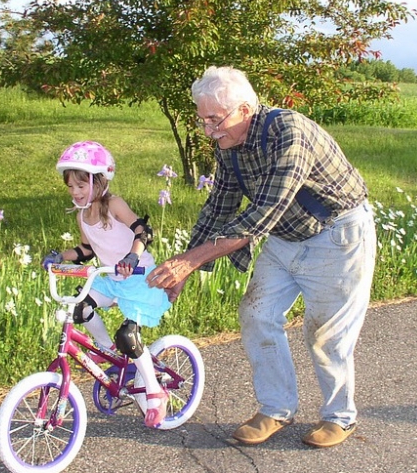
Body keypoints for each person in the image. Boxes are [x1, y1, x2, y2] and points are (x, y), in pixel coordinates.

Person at [147, 66, 376, 447]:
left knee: (326, 334)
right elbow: (219, 206)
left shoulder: (289, 132)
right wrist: (186, 265)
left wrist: (192, 261)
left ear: (245, 110)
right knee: (256, 313)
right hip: (286, 237)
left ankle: (340, 417)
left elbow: (262, 214)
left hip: (337, 235)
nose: (208, 130)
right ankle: (276, 409)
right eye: (202, 120)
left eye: (215, 120)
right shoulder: (228, 147)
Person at [42, 140, 172, 428]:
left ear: (99, 181)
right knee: (80, 309)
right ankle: (109, 352)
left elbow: (143, 231)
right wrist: (58, 256)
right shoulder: (82, 215)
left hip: (139, 278)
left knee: (129, 336)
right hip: (111, 279)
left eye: (81, 185)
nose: (75, 192)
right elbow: (86, 251)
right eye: (71, 187)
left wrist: (132, 257)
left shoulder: (114, 204)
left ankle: (154, 392)